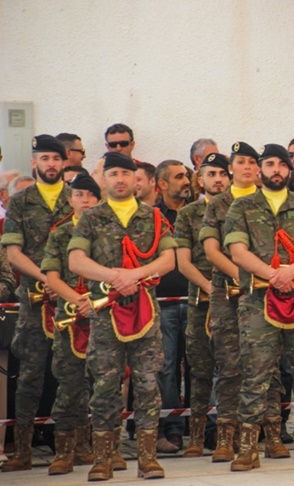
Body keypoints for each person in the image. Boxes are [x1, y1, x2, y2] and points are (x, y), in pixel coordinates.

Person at [225, 144, 294, 470]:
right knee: (255, 374)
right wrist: (273, 275)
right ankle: (247, 449)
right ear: (259, 170)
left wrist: (290, 272)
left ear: (290, 171)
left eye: (281, 165)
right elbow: (237, 250)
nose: (276, 169)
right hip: (258, 300)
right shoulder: (242, 207)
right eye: (269, 164)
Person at [68, 151, 177, 480]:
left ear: (135, 179)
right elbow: (76, 261)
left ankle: (147, 458)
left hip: (145, 315)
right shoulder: (92, 217)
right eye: (112, 174)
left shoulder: (155, 218)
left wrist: (135, 275)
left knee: (147, 385)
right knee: (104, 386)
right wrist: (115, 275)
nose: (119, 179)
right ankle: (103, 458)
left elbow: (169, 259)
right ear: (104, 179)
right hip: (105, 317)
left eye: (125, 174)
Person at [1, 135, 72, 473]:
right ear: (34, 163)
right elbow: (13, 254)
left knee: (71, 374)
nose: (51, 164)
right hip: (34, 300)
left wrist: (66, 285)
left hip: (71, 301)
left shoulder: (79, 198)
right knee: (29, 375)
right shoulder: (20, 201)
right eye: (44, 159)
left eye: (56, 159)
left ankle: (71, 448)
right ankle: (24, 450)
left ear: (65, 162)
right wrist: (49, 280)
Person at [200, 142, 264, 462]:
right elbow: (211, 251)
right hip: (227, 291)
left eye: (253, 162)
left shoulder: (266, 200)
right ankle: (225, 437)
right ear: (231, 168)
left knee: (263, 363)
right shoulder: (218, 204)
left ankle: (267, 435)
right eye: (241, 162)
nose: (248, 167)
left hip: (263, 292)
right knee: (228, 364)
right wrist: (242, 276)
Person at [41, 174, 101, 475]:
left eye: (91, 195)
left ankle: (91, 446)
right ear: (70, 199)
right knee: (68, 385)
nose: (85, 200)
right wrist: (79, 302)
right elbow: (52, 278)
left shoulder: (107, 231)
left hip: (104, 317)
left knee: (101, 385)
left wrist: (96, 302)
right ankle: (63, 452)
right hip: (69, 317)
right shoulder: (59, 234)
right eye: (79, 195)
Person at [175, 153, 231, 457]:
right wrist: (213, 288)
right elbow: (183, 263)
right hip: (203, 301)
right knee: (199, 369)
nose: (218, 179)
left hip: (238, 302)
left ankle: (228, 435)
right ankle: (196, 437)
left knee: (234, 369)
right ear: (200, 179)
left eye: (223, 173)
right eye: (211, 174)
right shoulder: (188, 215)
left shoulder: (241, 207)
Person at [153, 160, 192, 453]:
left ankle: (202, 427)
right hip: (162, 304)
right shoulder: (151, 216)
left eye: (187, 175)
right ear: (162, 184)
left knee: (199, 366)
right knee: (166, 369)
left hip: (195, 301)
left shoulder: (197, 214)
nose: (187, 181)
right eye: (179, 177)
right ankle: (172, 428)